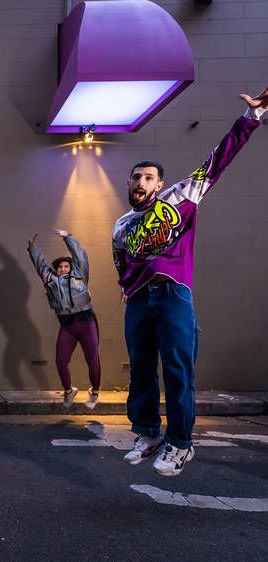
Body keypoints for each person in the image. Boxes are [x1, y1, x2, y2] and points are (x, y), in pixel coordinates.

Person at [113, 87, 268, 476]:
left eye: (148, 178)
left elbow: (219, 160)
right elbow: (121, 260)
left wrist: (251, 118)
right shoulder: (121, 225)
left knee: (178, 370)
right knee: (140, 369)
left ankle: (180, 444)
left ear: (158, 183)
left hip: (172, 294)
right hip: (138, 300)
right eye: (135, 177)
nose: (141, 182)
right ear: (128, 184)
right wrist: (125, 288)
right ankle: (147, 433)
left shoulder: (181, 197)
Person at [28, 230, 100, 408]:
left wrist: (68, 237)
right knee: (61, 360)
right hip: (67, 325)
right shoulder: (50, 280)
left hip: (86, 321)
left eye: (66, 266)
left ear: (71, 267)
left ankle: (95, 391)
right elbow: (40, 265)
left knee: (92, 359)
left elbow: (80, 255)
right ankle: (69, 390)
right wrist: (32, 249)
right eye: (60, 267)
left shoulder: (80, 274)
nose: (62, 269)